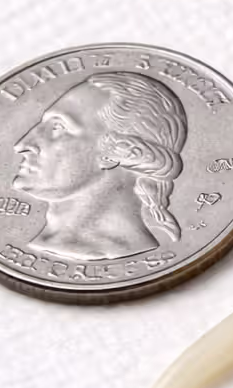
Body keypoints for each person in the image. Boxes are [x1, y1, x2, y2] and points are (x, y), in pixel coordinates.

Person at [12, 72, 188, 261]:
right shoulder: (41, 243)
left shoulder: (125, 251)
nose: (22, 145)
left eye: (57, 127)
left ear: (119, 152)